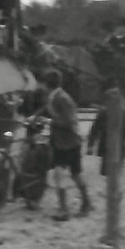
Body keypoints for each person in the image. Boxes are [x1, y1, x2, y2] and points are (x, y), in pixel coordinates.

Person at [43, 68, 91, 221]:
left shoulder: (61, 98)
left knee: (68, 174)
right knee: (70, 174)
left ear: (46, 83)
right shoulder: (55, 96)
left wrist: (51, 122)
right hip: (63, 141)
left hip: (67, 142)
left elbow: (69, 120)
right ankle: (83, 203)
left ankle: (67, 208)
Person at [86, 78, 125, 175]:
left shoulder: (124, 113)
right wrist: (90, 145)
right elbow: (94, 129)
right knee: (107, 171)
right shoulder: (104, 113)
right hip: (107, 145)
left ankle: (113, 181)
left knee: (115, 170)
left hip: (119, 145)